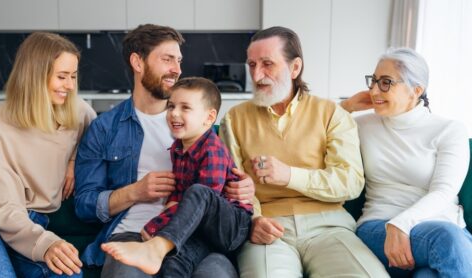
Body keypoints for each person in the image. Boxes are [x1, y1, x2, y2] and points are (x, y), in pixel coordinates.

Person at [74, 24, 255, 278]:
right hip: (134, 233)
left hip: (199, 238)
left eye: (179, 60)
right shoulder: (104, 128)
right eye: (167, 59)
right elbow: (83, 205)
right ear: (138, 62)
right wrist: (134, 192)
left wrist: (247, 187)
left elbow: (221, 188)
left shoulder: (199, 125)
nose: (177, 69)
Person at [220, 26, 389, 277]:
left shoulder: (332, 114)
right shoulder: (234, 119)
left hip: (330, 227)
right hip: (268, 230)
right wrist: (253, 221)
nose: (256, 75)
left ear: (295, 67)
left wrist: (289, 175)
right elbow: (232, 187)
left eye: (267, 64)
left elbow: (350, 182)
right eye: (252, 64)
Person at [0, 32, 96, 277]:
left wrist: (74, 160)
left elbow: (98, 140)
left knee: (70, 274)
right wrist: (46, 244)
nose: (70, 86)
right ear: (35, 76)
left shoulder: (78, 111)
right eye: (62, 77)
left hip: (33, 221)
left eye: (73, 76)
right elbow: (1, 205)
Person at [100, 77, 253, 277]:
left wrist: (156, 225)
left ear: (209, 118)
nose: (174, 113)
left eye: (185, 108)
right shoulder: (179, 147)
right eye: (171, 106)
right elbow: (181, 189)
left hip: (230, 227)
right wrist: (172, 202)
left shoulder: (212, 149)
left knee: (199, 193)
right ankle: (157, 253)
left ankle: (155, 248)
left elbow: (204, 201)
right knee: (175, 264)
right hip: (200, 232)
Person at [341, 47, 472, 277]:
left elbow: (444, 191)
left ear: (416, 90)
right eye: (373, 81)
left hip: (440, 227)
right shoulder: (362, 125)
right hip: (378, 229)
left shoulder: (449, 130)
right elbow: (308, 137)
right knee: (446, 238)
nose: (373, 90)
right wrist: (346, 107)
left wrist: (401, 224)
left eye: (386, 82)